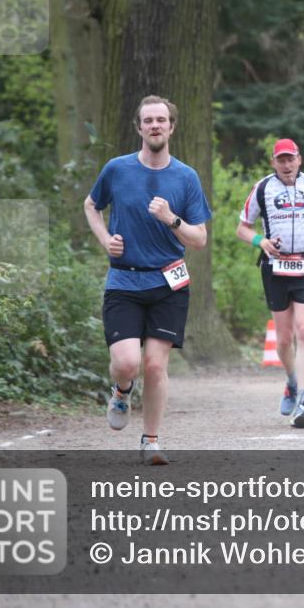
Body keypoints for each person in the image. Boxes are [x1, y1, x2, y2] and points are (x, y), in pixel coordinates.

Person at [84, 95, 212, 465]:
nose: (155, 126)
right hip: (124, 281)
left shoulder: (185, 177)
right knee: (127, 363)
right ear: (139, 128)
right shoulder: (117, 169)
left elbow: (199, 239)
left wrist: (171, 218)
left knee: (156, 365)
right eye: (148, 120)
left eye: (161, 120)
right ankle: (122, 391)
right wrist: (105, 239)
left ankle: (151, 440)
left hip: (169, 282)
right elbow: (91, 205)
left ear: (172, 127)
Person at [237, 139, 304, 429]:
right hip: (275, 267)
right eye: (280, 160)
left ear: (299, 160)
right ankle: (292, 382)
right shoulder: (262, 188)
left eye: (290, 159)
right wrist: (261, 241)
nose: (286, 165)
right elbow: (242, 228)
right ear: (273, 162)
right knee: (283, 339)